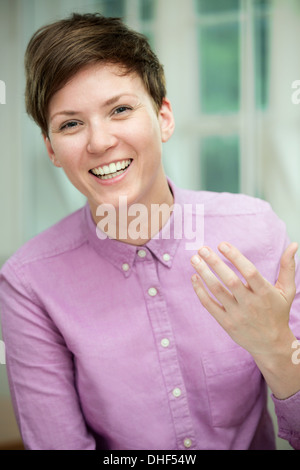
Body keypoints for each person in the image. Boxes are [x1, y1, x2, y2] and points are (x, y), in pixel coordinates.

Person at [0, 12, 299, 451]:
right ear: (52, 150)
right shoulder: (29, 283)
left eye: (120, 109)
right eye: (70, 124)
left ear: (164, 118)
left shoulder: (255, 231)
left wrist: (277, 350)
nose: (99, 142)